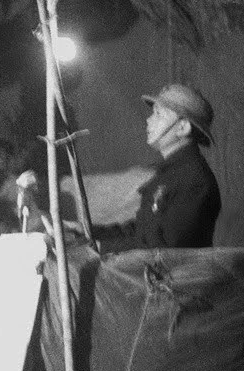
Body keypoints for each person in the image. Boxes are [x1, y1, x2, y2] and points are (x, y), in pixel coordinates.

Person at [90, 83, 221, 252]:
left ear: (182, 127)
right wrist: (89, 233)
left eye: (158, 114)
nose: (149, 119)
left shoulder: (194, 180)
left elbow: (167, 251)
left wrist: (103, 247)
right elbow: (139, 232)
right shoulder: (169, 174)